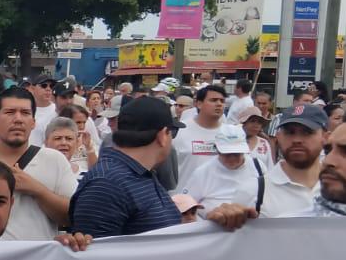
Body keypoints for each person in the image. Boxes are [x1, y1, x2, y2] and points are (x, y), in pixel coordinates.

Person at [68, 97, 183, 237]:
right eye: (172, 132)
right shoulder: (107, 184)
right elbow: (94, 254)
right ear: (163, 135)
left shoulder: (139, 174)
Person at [0, 88, 77, 241]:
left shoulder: (54, 160)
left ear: (33, 122)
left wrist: (37, 190)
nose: (18, 119)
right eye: (10, 112)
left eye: (25, 113)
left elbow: (72, 216)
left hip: (38, 259)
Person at [180, 123, 265, 216]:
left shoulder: (258, 167)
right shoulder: (202, 173)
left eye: (237, 154)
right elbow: (186, 205)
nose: (232, 159)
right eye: (227, 154)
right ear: (217, 150)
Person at [260, 104, 326, 218]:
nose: (297, 140)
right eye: (290, 132)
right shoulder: (255, 191)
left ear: (325, 137)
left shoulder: (344, 189)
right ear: (278, 136)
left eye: (307, 132)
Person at [173, 85, 227, 188]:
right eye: (213, 100)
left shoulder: (230, 132)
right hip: (184, 198)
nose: (219, 104)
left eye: (222, 101)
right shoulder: (179, 130)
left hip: (217, 199)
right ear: (199, 104)